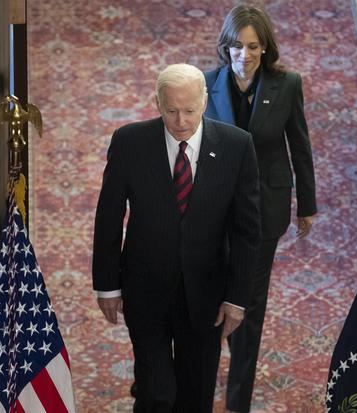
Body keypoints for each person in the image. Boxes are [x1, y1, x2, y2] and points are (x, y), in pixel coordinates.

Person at [92, 63, 261, 413]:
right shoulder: (129, 142)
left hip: (207, 297)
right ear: (157, 104)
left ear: (204, 102)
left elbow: (246, 231)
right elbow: (108, 217)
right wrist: (107, 285)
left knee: (195, 395)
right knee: (156, 393)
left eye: (189, 110)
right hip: (145, 288)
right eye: (171, 111)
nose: (181, 121)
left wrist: (237, 297)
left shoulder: (237, 147)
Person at [204, 5, 318, 413]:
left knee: (249, 304)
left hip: (265, 210)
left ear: (265, 47)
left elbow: (299, 146)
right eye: (236, 46)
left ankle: (238, 403)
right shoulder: (206, 84)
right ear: (226, 46)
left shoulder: (286, 85)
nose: (244, 54)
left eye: (253, 46)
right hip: (216, 211)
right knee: (215, 293)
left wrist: (307, 203)